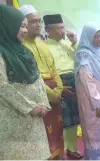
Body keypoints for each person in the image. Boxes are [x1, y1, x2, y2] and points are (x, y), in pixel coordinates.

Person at [0, 5, 51, 160]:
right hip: (14, 122)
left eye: (24, 26)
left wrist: (44, 103)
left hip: (35, 122)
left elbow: (38, 79)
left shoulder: (24, 51)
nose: (25, 30)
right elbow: (2, 88)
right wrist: (30, 107)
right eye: (21, 26)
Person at [19, 4, 65, 159]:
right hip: (38, 98)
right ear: (23, 24)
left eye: (39, 21)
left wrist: (59, 89)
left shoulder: (42, 43)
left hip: (54, 96)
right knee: (44, 137)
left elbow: (54, 69)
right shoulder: (21, 47)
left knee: (57, 133)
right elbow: (33, 76)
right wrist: (51, 94)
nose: (38, 24)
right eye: (33, 21)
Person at [43, 14, 83, 159]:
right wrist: (59, 87)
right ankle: (59, 150)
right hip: (59, 84)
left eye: (63, 27)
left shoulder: (68, 44)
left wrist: (74, 42)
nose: (62, 31)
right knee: (62, 119)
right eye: (58, 28)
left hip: (73, 81)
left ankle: (72, 149)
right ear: (48, 30)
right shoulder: (44, 46)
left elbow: (81, 58)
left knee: (73, 119)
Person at [74, 22, 100, 159]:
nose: (99, 39)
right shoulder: (83, 54)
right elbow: (86, 80)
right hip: (92, 100)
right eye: (95, 37)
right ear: (87, 37)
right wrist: (98, 102)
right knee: (95, 131)